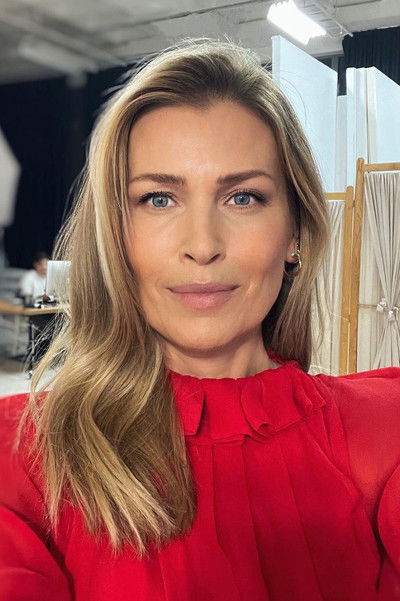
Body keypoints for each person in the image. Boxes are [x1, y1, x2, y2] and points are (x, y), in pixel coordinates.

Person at [0, 37, 399, 601]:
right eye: (158, 199)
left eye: (244, 198)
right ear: (115, 235)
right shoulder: (19, 454)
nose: (203, 245)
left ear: (295, 233)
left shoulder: (385, 434)